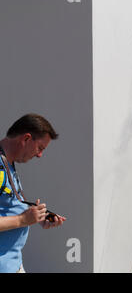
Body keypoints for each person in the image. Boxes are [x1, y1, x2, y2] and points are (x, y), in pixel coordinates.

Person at [0, 114, 66, 273]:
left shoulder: (8, 163)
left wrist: (35, 216)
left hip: (13, 263)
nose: (39, 155)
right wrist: (23, 219)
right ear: (26, 139)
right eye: (40, 148)